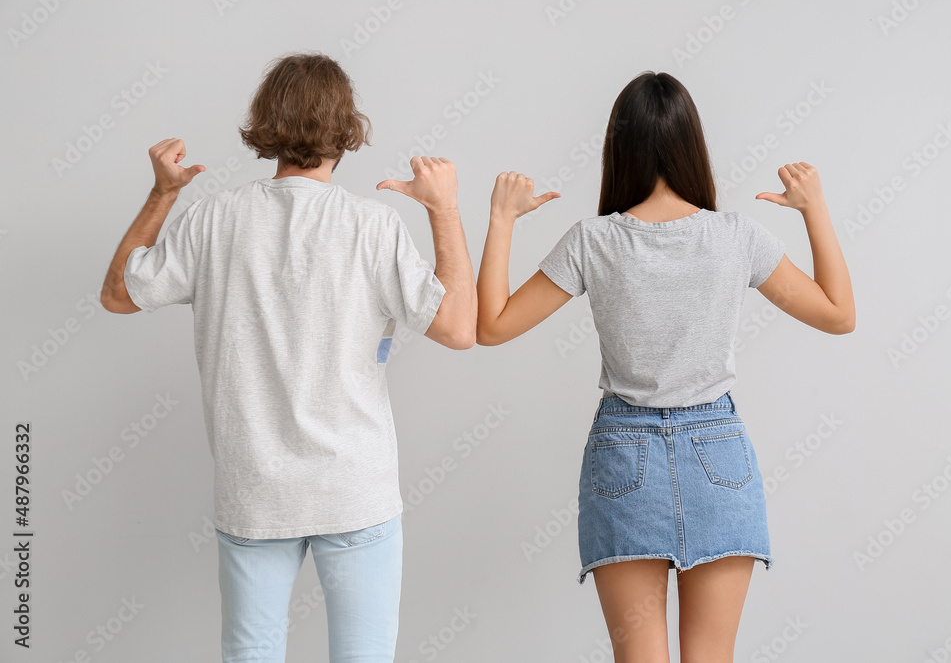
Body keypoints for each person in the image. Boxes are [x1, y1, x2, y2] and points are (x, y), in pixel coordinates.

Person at [99, 52, 477, 662]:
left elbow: (119, 294)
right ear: (347, 129)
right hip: (355, 491)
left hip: (254, 492)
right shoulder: (370, 227)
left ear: (265, 122)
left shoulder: (213, 219)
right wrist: (445, 209)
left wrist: (162, 193)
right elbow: (460, 329)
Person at [476, 71, 854, 661]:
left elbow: (492, 327)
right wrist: (814, 209)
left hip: (623, 453)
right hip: (719, 454)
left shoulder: (592, 240)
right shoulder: (735, 236)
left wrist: (501, 221)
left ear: (616, 149)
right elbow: (838, 315)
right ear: (691, 146)